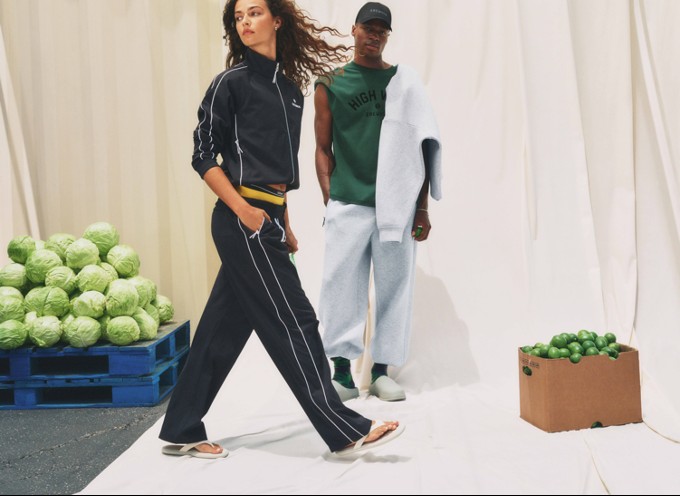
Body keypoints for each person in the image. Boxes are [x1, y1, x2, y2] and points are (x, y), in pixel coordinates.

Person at [159, 0, 404, 459]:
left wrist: (284, 222)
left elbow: (279, 171)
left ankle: (181, 427)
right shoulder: (230, 83)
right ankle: (344, 430)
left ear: (277, 20)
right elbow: (203, 155)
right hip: (242, 218)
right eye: (238, 17)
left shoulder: (291, 91)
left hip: (267, 219)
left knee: (222, 329)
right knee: (296, 321)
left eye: (254, 13)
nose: (245, 23)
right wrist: (245, 211)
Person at [314, 2, 442, 402]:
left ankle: (382, 371)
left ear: (387, 36)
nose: (374, 34)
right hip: (349, 202)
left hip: (397, 206)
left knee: (395, 288)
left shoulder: (404, 83)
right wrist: (330, 198)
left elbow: (423, 146)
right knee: (339, 288)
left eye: (381, 30)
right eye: (368, 27)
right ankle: (342, 373)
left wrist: (422, 207)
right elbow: (322, 148)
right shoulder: (330, 84)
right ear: (353, 30)